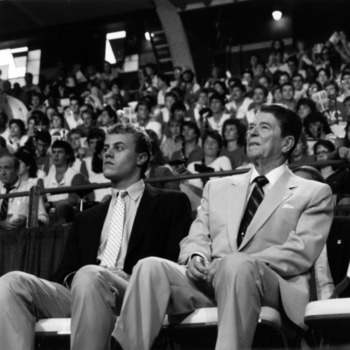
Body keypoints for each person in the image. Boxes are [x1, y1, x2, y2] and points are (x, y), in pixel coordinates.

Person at [113, 104, 334, 350]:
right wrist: (196, 257)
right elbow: (198, 235)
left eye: (264, 127)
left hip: (269, 284)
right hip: (209, 280)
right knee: (149, 267)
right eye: (251, 127)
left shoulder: (313, 192)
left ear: (286, 143)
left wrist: (234, 262)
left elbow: (300, 252)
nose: (252, 132)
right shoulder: (217, 187)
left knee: (236, 263)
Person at [0, 123, 192, 350]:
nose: (107, 153)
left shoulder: (170, 203)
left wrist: (117, 276)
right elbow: (63, 274)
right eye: (106, 148)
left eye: (119, 148)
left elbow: (171, 266)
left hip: (134, 291)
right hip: (83, 290)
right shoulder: (87, 217)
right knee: (10, 283)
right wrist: (79, 280)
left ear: (141, 158)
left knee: (91, 274)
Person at [0, 152, 48, 230]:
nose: (3, 173)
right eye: (0, 168)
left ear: (17, 169)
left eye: (7, 168)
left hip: (20, 236)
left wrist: (27, 221)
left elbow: (43, 219)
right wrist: (1, 224)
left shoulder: (30, 188)